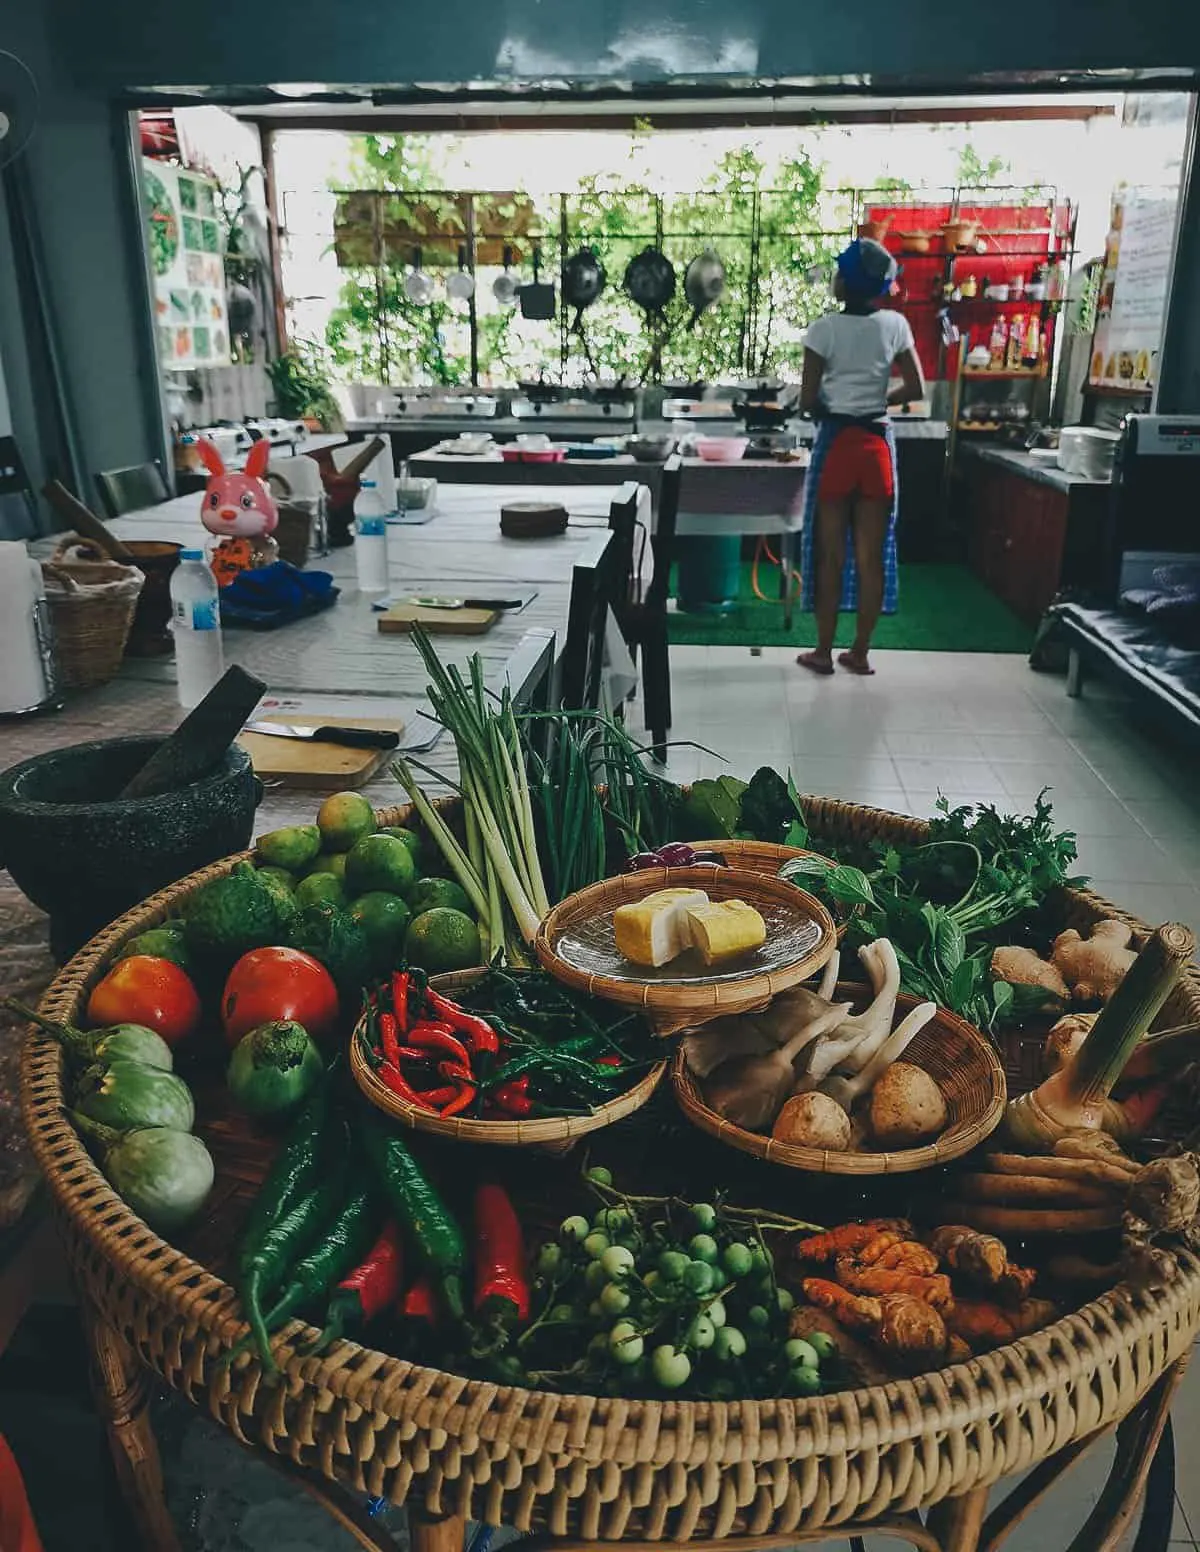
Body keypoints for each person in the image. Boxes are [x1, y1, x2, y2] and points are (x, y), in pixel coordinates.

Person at [796, 238, 925, 676]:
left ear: (845, 280)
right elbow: (915, 388)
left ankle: (823, 653)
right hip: (876, 445)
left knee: (830, 555)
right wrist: (877, 400)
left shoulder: (824, 329)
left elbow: (808, 401)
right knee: (872, 556)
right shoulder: (895, 325)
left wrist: (836, 403)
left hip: (837, 444)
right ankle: (861, 652)